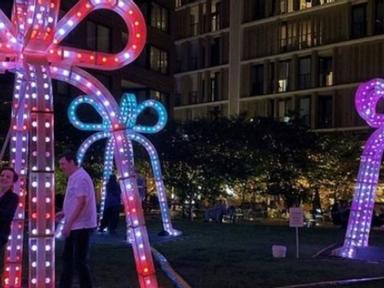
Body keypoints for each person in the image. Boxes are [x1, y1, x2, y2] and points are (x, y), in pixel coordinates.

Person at [57, 151, 97, 288]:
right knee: (70, 259)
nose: (61, 167)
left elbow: (82, 203)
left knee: (78, 261)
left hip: (81, 226)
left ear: (72, 162)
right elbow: (76, 200)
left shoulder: (80, 178)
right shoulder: (75, 176)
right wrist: (64, 212)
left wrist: (68, 224)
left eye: (63, 163)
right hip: (77, 225)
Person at [0, 167, 19, 275]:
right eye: (2, 175)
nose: (4, 178)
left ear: (12, 182)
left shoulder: (13, 198)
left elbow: (7, 216)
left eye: (8, 177)